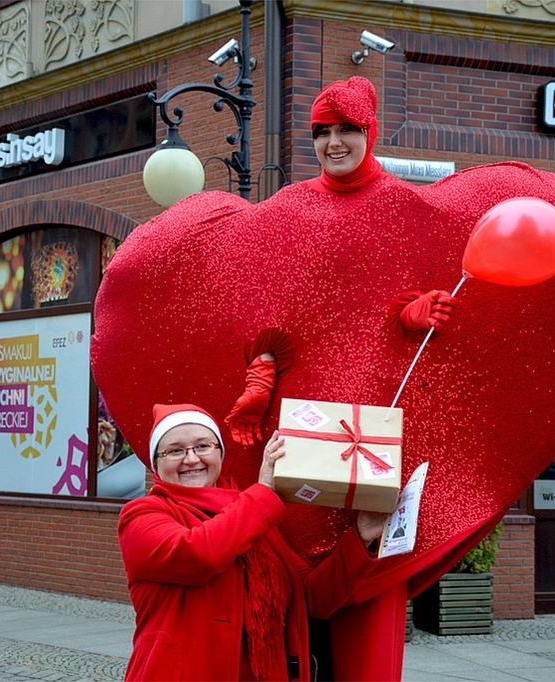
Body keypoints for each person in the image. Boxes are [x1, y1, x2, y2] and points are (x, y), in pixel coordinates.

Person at [222, 76, 460, 681]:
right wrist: (257, 383)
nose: (333, 142)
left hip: (375, 443)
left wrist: (412, 313)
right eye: (323, 132)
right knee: (280, 628)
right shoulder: (288, 210)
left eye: (346, 129)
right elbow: (264, 317)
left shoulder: (408, 208)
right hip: (296, 440)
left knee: (369, 622)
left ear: (370, 131)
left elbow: (413, 306)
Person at [117, 403, 387, 681]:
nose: (191, 459)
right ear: (156, 465)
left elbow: (311, 598)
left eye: (202, 446)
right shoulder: (142, 514)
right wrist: (263, 493)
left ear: (219, 453)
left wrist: (361, 536)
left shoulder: (252, 515)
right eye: (175, 450)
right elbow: (198, 554)